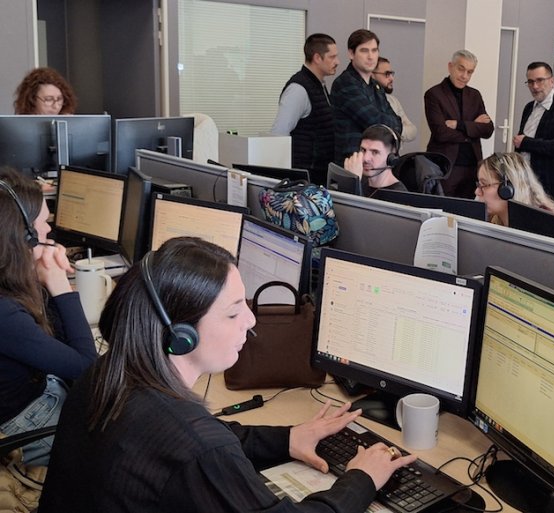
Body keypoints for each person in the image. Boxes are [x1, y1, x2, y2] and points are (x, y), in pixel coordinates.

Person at [39, 237, 416, 512]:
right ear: (180, 335)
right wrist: (362, 479)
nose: (250, 321)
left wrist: (287, 438)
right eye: (233, 312)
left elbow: (208, 441)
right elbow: (202, 449)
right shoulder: (194, 443)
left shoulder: (109, 372)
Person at [0, 168, 96, 467]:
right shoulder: (4, 314)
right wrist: (59, 285)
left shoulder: (7, 286)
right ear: (24, 236)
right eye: (42, 223)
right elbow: (87, 368)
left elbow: (54, 340)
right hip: (27, 420)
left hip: (33, 392)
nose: (48, 230)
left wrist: (38, 276)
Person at [270, 34, 339, 185]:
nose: (337, 62)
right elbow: (278, 134)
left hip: (318, 175)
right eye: (332, 57)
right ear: (317, 58)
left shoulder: (318, 85)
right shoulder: (298, 89)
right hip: (304, 179)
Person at [424, 50, 494, 199]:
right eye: (461, 69)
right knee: (444, 207)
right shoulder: (434, 94)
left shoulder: (475, 95)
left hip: (472, 166)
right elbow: (441, 133)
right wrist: (473, 128)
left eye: (470, 72)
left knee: (467, 208)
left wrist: (459, 125)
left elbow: (488, 129)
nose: (464, 76)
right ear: (450, 66)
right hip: (445, 166)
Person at [331, 29, 402, 165]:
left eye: (374, 50)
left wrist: (393, 123)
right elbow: (374, 122)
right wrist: (393, 124)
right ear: (351, 54)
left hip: (376, 164)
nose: (371, 56)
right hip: (354, 163)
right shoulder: (345, 83)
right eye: (364, 51)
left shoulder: (375, 85)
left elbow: (397, 121)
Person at [514, 62, 554, 205]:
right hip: (524, 180)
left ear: (552, 81)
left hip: (549, 184)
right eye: (530, 82)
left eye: (540, 80)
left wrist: (525, 142)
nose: (535, 86)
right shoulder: (528, 107)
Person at [344, 125, 407, 197]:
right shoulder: (361, 181)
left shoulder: (399, 195)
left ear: (391, 158)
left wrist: (353, 183)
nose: (365, 158)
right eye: (363, 150)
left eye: (375, 152)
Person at [372, 57, 417, 143]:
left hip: (394, 151)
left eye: (392, 74)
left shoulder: (393, 101)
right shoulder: (366, 100)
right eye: (387, 74)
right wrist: (399, 128)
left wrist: (394, 130)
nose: (392, 78)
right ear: (372, 75)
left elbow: (413, 131)